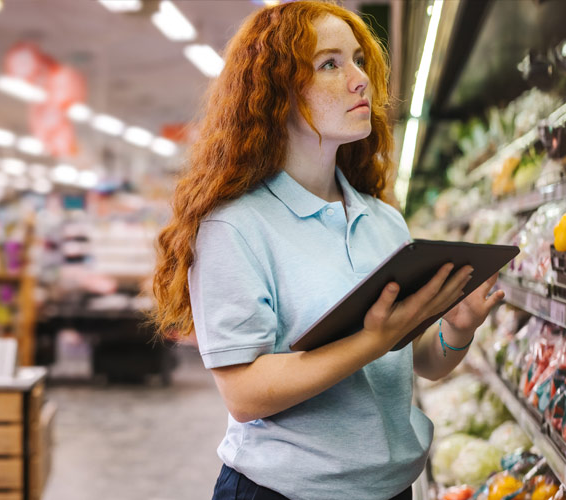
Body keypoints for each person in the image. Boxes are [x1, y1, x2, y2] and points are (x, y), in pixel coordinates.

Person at [152, 2, 504, 499]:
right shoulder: (234, 225)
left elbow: (419, 360)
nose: (360, 79)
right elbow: (245, 393)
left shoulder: (382, 220)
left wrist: (457, 328)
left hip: (391, 489)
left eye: (359, 59)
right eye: (330, 64)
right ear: (277, 93)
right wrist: (372, 340)